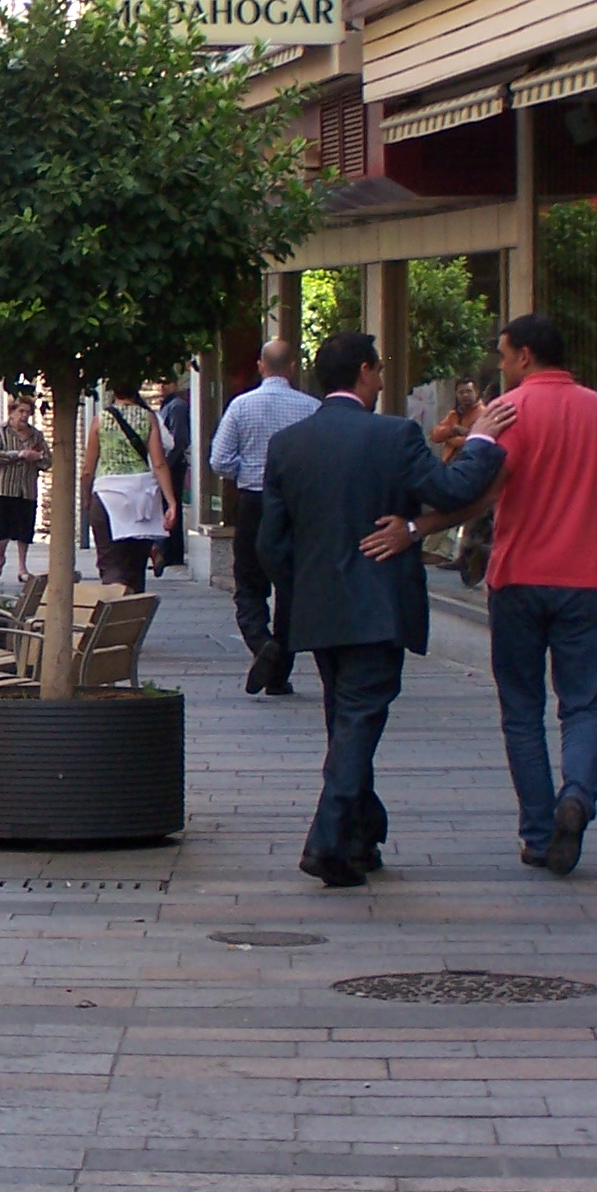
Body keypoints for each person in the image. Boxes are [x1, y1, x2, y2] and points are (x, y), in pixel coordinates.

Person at [367, 315, 597, 877]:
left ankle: (539, 835)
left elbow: (476, 499)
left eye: (505, 354)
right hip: (587, 581)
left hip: (518, 579)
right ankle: (578, 797)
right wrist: (588, 520)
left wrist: (417, 529)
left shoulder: (511, 414)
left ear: (527, 356)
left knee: (522, 711)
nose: (501, 364)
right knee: (585, 704)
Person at [259, 331, 509, 888]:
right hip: (377, 606)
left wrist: (298, 593)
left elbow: (271, 544)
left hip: (319, 611)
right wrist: (484, 441)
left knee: (345, 720)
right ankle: (327, 840)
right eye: (378, 370)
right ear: (367, 373)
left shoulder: (288, 444)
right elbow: (450, 487)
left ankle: (360, 832)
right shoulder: (394, 434)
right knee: (358, 722)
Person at [210, 341, 322, 696]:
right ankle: (278, 668)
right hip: (296, 504)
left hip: (254, 500)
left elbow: (219, 459)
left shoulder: (241, 406)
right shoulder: (311, 408)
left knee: (249, 581)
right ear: (292, 366)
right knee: (290, 585)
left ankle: (261, 643)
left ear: (261, 366)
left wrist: (249, 471)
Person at [81, 382, 179, 594]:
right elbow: (159, 463)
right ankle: (133, 613)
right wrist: (171, 502)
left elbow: (88, 469)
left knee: (110, 562)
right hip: (141, 495)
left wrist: (87, 497)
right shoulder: (148, 417)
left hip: (107, 494)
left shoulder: (100, 420)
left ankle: (113, 609)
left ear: (112, 391)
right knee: (136, 564)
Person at [0, 393, 47, 581]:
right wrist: (17, 454)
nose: (24, 416)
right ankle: (0, 557)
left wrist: (38, 458)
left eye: (28, 412)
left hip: (26, 488)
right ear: (11, 412)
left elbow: (47, 459)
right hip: (4, 486)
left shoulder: (36, 435)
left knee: (24, 528)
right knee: (2, 526)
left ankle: (22, 567)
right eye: (21, 411)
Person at [154, 376, 192, 576]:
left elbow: (178, 440)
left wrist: (165, 467)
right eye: (159, 382)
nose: (161, 386)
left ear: (175, 384)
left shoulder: (176, 407)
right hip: (170, 465)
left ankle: (171, 552)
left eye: (165, 382)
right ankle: (169, 551)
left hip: (173, 467)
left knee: (171, 506)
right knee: (169, 507)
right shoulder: (168, 406)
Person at [430, 377, 484, 462]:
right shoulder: (454, 414)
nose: (465, 395)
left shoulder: (484, 413)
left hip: (473, 463)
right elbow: (435, 435)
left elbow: (477, 441)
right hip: (450, 464)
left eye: (468, 391)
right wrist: (453, 430)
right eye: (461, 392)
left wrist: (449, 439)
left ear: (476, 393)